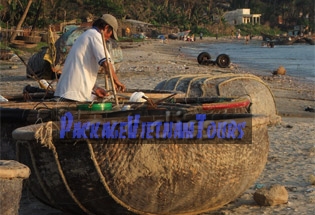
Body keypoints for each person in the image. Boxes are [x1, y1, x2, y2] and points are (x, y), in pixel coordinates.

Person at [54, 14, 126, 102]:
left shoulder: (88, 35)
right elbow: (106, 62)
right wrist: (116, 81)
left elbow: (82, 68)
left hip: (68, 92)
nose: (108, 39)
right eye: (110, 35)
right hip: (73, 95)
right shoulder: (95, 35)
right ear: (106, 28)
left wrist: (95, 88)